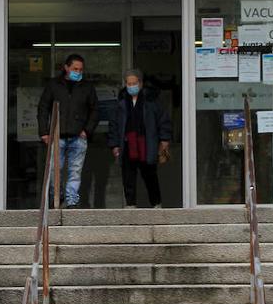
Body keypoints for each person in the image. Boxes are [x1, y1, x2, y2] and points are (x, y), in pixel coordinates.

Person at [37, 53, 98, 208]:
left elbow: (95, 111)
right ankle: (57, 196)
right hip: (57, 136)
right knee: (53, 171)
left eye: (81, 69)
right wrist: (44, 132)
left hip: (78, 136)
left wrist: (87, 131)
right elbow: (43, 108)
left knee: (75, 171)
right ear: (66, 67)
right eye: (75, 68)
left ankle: (71, 200)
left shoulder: (87, 87)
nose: (78, 72)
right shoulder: (54, 85)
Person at [108, 68, 173, 209]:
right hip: (127, 143)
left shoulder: (152, 101)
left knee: (150, 175)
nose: (132, 86)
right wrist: (114, 145)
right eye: (129, 83)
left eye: (134, 83)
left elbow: (163, 120)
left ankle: (156, 203)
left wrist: (164, 139)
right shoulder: (121, 103)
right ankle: (130, 204)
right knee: (128, 176)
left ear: (141, 83)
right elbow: (114, 125)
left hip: (146, 143)